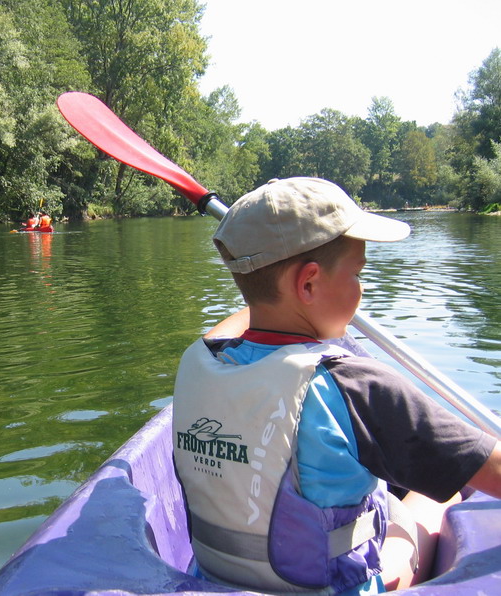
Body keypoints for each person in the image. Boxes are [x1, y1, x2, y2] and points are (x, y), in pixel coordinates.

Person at [172, 177, 501, 595]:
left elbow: (247, 315)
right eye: (358, 274)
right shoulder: (355, 387)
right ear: (308, 284)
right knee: (440, 496)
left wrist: (265, 282)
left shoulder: (198, 361)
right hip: (330, 588)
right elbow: (493, 470)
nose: (362, 291)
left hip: (216, 580)